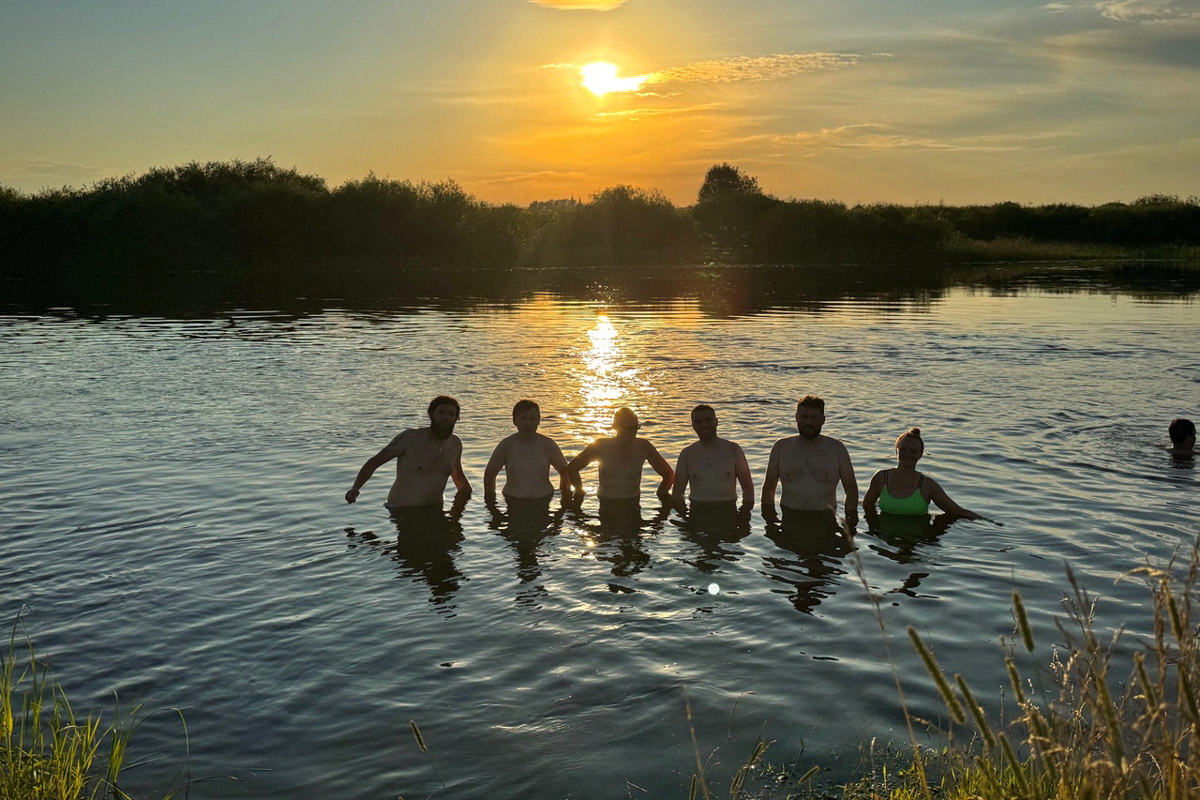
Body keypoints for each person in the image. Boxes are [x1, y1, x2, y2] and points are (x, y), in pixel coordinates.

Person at [345, 395, 471, 509]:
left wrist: (472, 499)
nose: (446, 417)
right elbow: (374, 462)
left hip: (435, 510)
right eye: (441, 412)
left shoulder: (455, 443)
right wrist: (355, 488)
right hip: (402, 510)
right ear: (431, 415)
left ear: (456, 418)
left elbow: (458, 475)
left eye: (451, 414)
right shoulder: (409, 438)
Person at [762, 395, 859, 525]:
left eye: (814, 418)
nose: (808, 422)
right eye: (804, 417)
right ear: (796, 417)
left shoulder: (837, 449)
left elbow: (851, 490)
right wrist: (770, 521)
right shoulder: (781, 447)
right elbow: (769, 487)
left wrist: (850, 523)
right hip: (790, 517)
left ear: (822, 420)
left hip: (825, 519)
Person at [862, 428, 981, 519]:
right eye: (903, 449)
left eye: (913, 451)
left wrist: (990, 523)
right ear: (896, 450)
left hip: (916, 544)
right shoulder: (881, 478)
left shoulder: (927, 485)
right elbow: (867, 506)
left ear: (920, 454)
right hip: (885, 543)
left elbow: (956, 511)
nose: (907, 454)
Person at [567, 407, 674, 505]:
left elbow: (669, 474)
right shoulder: (600, 446)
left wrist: (662, 495)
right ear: (615, 427)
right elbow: (572, 467)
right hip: (606, 503)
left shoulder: (643, 447)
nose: (632, 432)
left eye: (636, 428)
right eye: (628, 428)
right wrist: (579, 491)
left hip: (632, 504)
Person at [484, 400, 578, 504]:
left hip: (544, 499)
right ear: (515, 421)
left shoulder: (548, 445)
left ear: (538, 421)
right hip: (513, 501)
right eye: (523, 419)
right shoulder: (506, 446)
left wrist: (565, 497)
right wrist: (491, 504)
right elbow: (490, 475)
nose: (527, 423)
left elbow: (565, 472)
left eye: (532, 419)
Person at [671, 404, 754, 518]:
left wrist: (744, 516)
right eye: (698, 422)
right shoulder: (687, 454)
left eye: (708, 420)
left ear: (716, 421)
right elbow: (677, 493)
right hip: (698, 511)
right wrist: (684, 517)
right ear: (693, 426)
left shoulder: (733, 450)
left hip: (727, 511)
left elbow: (748, 488)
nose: (704, 425)